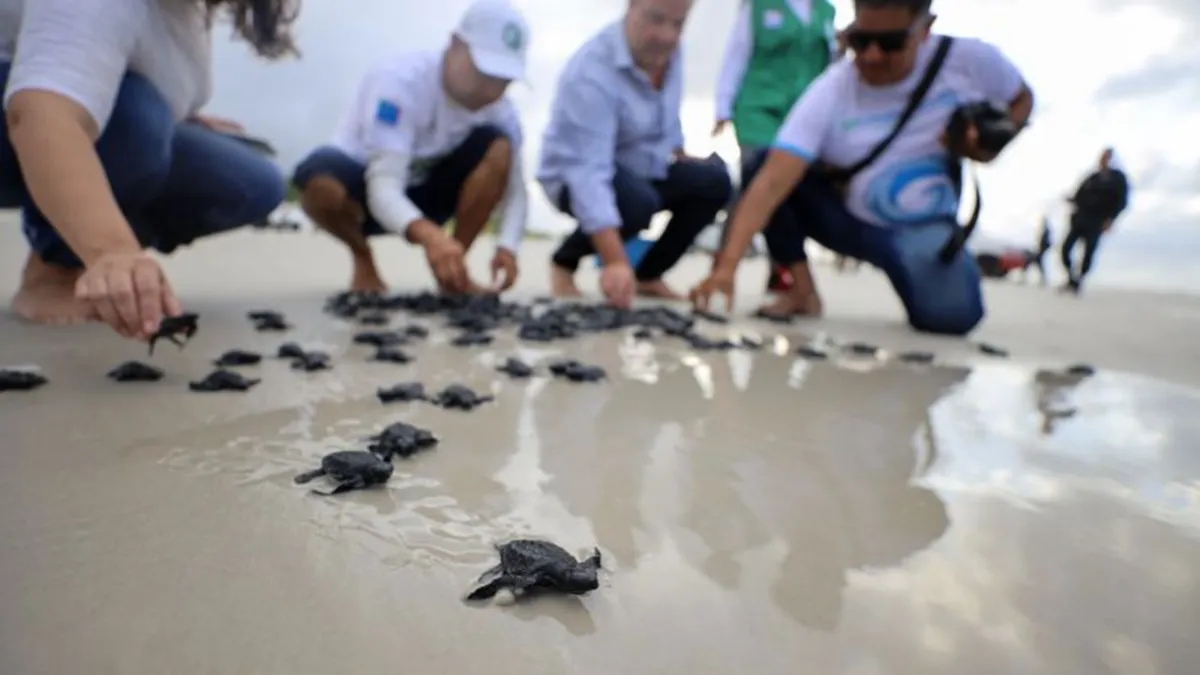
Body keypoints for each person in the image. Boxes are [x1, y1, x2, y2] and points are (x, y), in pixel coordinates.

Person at [691, 0, 1035, 336]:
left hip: (922, 228)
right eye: (860, 40)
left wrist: (991, 140)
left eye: (890, 43)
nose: (871, 55)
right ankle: (801, 290)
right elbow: (770, 182)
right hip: (847, 223)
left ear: (925, 29)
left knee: (953, 316)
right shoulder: (831, 89)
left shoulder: (971, 62)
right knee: (762, 162)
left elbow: (1022, 99)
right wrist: (725, 269)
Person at [0, 0, 292, 340]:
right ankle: (57, 267)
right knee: (137, 117)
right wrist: (111, 250)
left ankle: (98, 258)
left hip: (100, 117)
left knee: (254, 180)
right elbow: (42, 114)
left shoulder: (191, 14)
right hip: (31, 117)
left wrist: (183, 117)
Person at [291, 0, 531, 294]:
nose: (491, 89)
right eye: (484, 73)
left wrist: (507, 246)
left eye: (504, 81)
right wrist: (431, 237)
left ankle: (453, 271)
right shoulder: (398, 81)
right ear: (455, 45)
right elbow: (383, 187)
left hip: (429, 194)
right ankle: (363, 259)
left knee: (500, 147)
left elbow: (516, 191)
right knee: (320, 182)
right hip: (365, 191)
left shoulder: (503, 112)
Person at [537, 0, 734, 307]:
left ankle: (648, 275)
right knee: (638, 202)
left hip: (644, 170)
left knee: (715, 181)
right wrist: (615, 261)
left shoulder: (670, 52)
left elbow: (667, 118)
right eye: (656, 19)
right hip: (574, 177)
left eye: (678, 24)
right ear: (631, 6)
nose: (668, 36)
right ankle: (564, 262)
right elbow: (589, 175)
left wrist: (681, 154)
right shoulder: (590, 73)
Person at [713, 0, 840, 294]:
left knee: (787, 191)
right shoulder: (757, 7)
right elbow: (736, 54)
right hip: (758, 111)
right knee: (757, 182)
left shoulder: (826, 11)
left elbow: (833, 66)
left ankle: (781, 269)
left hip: (805, 116)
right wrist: (722, 107)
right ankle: (723, 266)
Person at [1059, 147, 1128, 294]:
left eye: (1107, 157)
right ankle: (1071, 278)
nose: (1103, 160)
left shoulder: (1118, 178)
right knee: (1065, 249)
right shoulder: (1092, 177)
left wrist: (1111, 219)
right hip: (1080, 218)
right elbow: (1078, 195)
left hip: (1097, 220)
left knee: (1088, 252)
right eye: (1102, 157)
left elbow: (1122, 202)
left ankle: (1079, 280)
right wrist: (1070, 199)